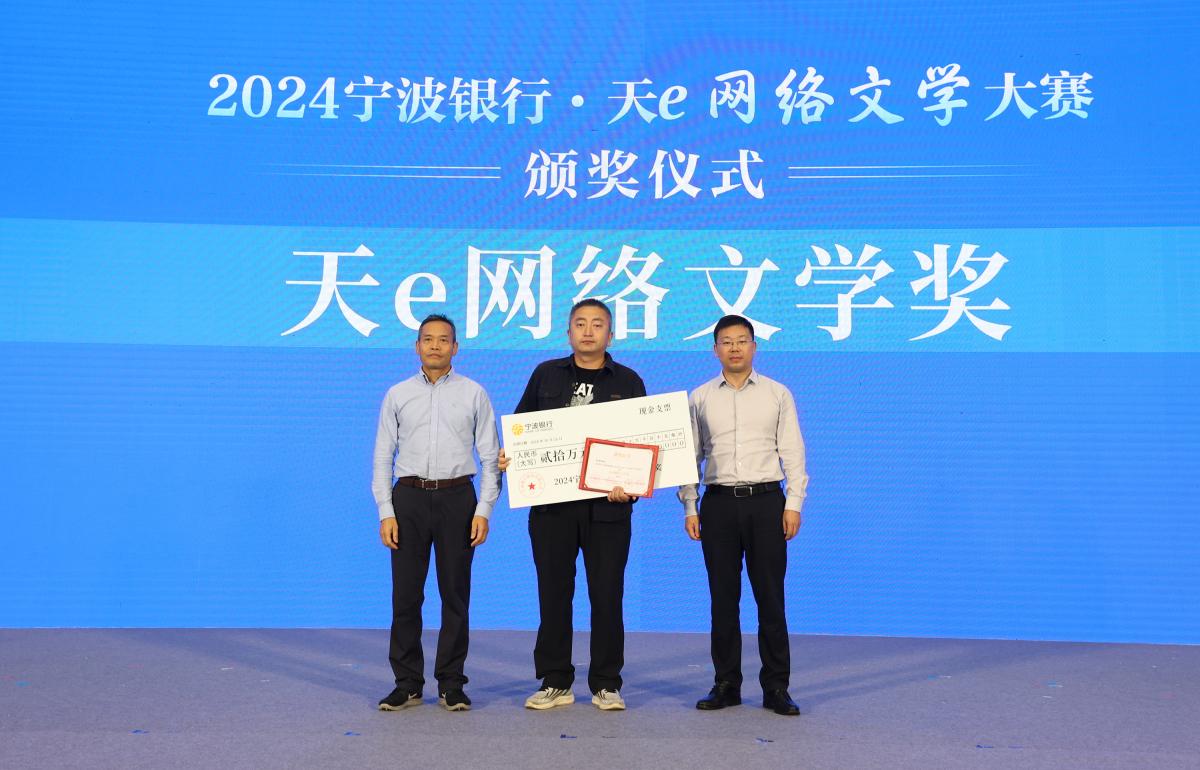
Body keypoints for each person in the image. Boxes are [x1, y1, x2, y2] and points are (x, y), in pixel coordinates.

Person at [498, 298, 646, 711]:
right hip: (553, 508)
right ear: (568, 333)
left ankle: (606, 683)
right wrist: (512, 457)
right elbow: (522, 430)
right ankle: (556, 681)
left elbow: (642, 445)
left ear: (610, 335)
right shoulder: (545, 375)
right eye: (580, 323)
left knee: (607, 596)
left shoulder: (629, 381)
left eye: (597, 324)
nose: (588, 331)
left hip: (608, 509)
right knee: (553, 595)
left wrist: (631, 484)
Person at [679, 314, 808, 716]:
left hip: (766, 503)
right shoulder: (700, 397)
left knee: (771, 598)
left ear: (754, 346)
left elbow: (792, 452)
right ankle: (726, 684)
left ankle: (776, 687)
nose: (734, 348)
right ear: (715, 349)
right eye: (726, 342)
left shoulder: (777, 394)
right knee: (723, 599)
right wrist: (690, 504)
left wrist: (793, 503)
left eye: (741, 340)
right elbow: (689, 457)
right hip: (718, 504)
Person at [372, 314, 500, 712]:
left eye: (443, 340)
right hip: (408, 499)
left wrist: (484, 509)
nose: (435, 346)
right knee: (406, 596)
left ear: (455, 347)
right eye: (427, 339)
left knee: (455, 595)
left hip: (458, 498)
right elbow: (382, 456)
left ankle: (451, 683)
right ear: (417, 346)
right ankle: (408, 683)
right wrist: (386, 511)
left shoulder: (474, 393)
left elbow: (490, 457)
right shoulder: (397, 394)